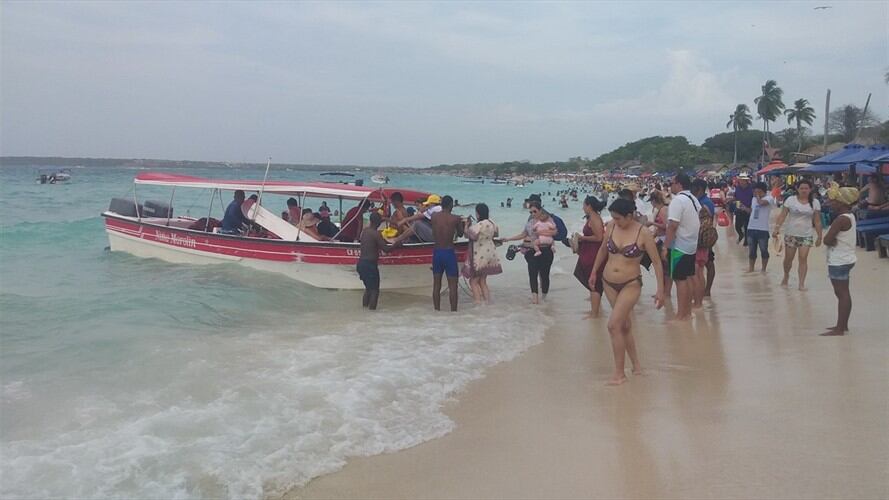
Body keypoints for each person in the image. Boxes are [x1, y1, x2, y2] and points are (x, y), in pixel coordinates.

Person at [590, 198, 664, 385]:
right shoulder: (612, 227)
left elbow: (656, 262)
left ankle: (619, 374)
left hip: (631, 283)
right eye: (613, 217)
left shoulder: (643, 233)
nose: (615, 221)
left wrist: (660, 290)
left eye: (618, 218)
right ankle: (636, 366)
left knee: (613, 325)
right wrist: (594, 272)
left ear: (630, 216)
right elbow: (602, 250)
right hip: (608, 282)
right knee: (623, 325)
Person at [499, 200, 555, 304]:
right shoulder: (529, 223)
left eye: (534, 211)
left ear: (540, 210)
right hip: (532, 251)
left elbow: (553, 234)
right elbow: (523, 234)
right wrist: (508, 239)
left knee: (544, 275)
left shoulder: (548, 220)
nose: (533, 214)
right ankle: (535, 300)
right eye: (530, 212)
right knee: (532, 274)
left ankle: (544, 298)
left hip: (546, 251)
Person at [821, 184, 859, 336]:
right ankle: (843, 325)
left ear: (842, 203)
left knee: (841, 294)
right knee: (843, 293)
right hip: (847, 258)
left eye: (834, 201)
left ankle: (840, 328)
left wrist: (831, 241)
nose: (831, 203)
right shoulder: (850, 216)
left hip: (839, 260)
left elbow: (827, 240)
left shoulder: (840, 219)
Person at [661, 173, 700, 320]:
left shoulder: (678, 201)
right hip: (691, 244)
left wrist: (665, 246)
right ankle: (687, 312)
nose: (670, 186)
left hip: (679, 245)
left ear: (679, 184)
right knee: (687, 278)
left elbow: (672, 225)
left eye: (672, 183)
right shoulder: (692, 198)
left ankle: (681, 314)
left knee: (680, 280)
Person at [773, 180, 823, 290]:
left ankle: (801, 284)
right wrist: (776, 228)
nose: (804, 190)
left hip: (806, 235)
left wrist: (820, 236)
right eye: (802, 188)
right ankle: (786, 276)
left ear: (810, 189)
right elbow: (782, 215)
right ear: (797, 189)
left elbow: (817, 221)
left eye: (806, 188)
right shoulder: (790, 200)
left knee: (803, 258)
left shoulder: (815, 202)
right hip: (791, 234)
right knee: (788, 259)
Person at [357, 212, 402, 310]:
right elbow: (386, 249)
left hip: (361, 263)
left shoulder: (365, 231)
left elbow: (375, 242)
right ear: (379, 222)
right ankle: (372, 312)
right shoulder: (376, 234)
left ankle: (364, 311)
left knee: (368, 289)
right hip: (370, 265)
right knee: (374, 290)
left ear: (370, 221)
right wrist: (396, 244)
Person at [462, 203, 502, 305]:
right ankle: (488, 302)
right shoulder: (492, 223)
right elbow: (496, 233)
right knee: (483, 280)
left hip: (480, 255)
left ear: (478, 213)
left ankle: (478, 303)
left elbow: (468, 234)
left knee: (473, 281)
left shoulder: (479, 225)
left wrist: (466, 225)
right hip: (490, 253)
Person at [574, 196, 607, 316]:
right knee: (589, 279)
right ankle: (595, 309)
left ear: (589, 206)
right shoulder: (592, 217)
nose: (583, 207)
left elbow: (599, 237)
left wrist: (583, 238)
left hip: (593, 253)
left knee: (594, 283)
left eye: (584, 205)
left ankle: (594, 313)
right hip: (589, 251)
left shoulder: (595, 219)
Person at [430, 195, 464, 311]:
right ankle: (453, 312)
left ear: (441, 205)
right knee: (453, 286)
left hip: (437, 253)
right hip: (449, 253)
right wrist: (464, 223)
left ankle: (436, 310)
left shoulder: (434, 216)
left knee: (436, 285)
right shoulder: (455, 218)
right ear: (451, 205)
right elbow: (460, 234)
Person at [691, 179, 717, 302]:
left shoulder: (705, 203)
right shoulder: (702, 201)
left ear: (699, 188)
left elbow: (707, 220)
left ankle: (706, 291)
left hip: (704, 238)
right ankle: (704, 292)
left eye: (693, 188)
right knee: (705, 265)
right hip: (703, 237)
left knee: (708, 264)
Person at [746, 182, 775, 273]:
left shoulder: (769, 198)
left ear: (762, 191)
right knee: (751, 250)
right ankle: (751, 268)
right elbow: (752, 210)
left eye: (757, 191)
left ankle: (763, 269)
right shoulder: (754, 199)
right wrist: (744, 208)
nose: (755, 193)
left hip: (763, 229)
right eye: (754, 191)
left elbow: (762, 203)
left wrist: (757, 196)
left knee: (764, 250)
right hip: (751, 227)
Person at [734, 174, 754, 245]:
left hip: (748, 209)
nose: (741, 182)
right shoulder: (737, 188)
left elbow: (754, 199)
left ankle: (746, 241)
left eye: (743, 180)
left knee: (746, 226)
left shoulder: (751, 188)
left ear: (746, 181)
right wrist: (737, 205)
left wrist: (750, 208)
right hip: (739, 209)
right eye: (740, 180)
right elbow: (736, 197)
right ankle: (741, 235)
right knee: (737, 226)